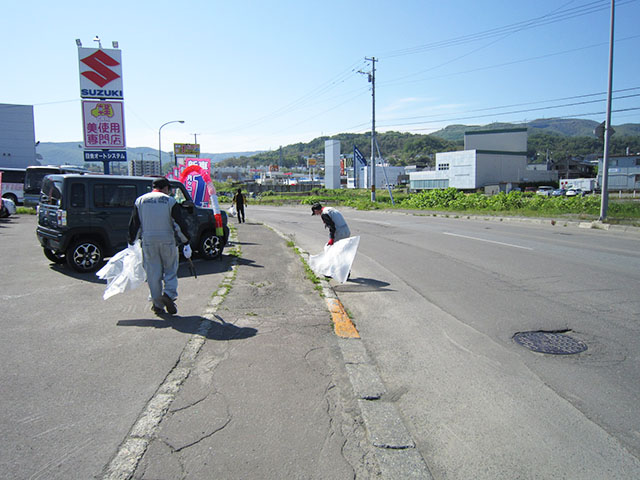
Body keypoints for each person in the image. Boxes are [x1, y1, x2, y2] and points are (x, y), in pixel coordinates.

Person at [128, 177, 191, 316]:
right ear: (166, 188)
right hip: (168, 240)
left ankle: (157, 305)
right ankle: (168, 294)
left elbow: (135, 224)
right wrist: (186, 242)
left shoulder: (140, 200)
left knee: (153, 273)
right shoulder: (170, 201)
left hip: (148, 241)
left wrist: (131, 241)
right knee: (170, 269)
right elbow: (178, 224)